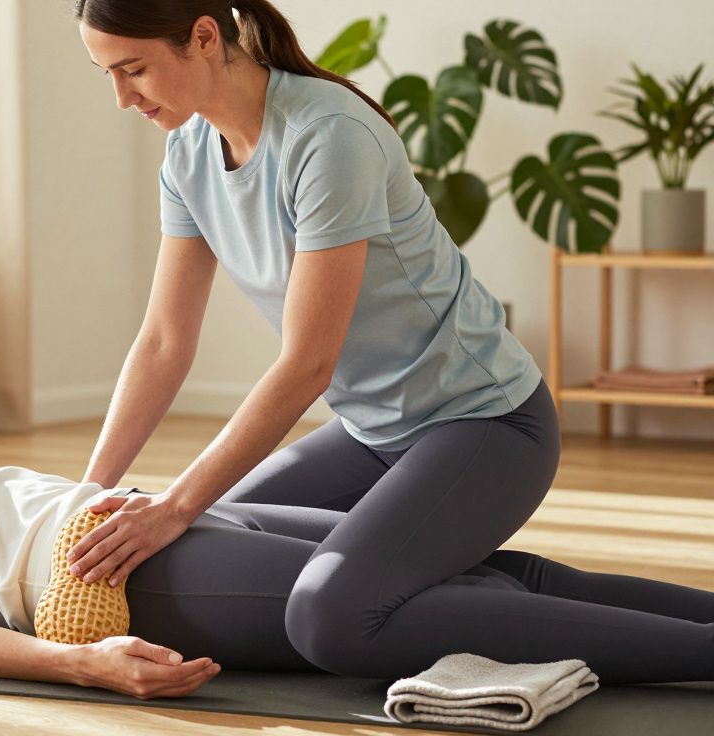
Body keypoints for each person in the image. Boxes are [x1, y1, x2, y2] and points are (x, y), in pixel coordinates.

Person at [64, 0, 583, 679]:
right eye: (107, 73)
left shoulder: (327, 133)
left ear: (201, 36)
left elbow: (308, 364)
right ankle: (449, 578)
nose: (122, 98)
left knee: (331, 614)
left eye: (134, 70)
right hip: (371, 433)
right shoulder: (188, 155)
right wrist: (84, 495)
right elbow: (164, 341)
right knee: (205, 552)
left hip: (485, 423)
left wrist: (174, 504)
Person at [0, 450, 714, 699]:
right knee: (453, 600)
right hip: (131, 575)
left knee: (487, 561)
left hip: (151, 517)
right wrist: (85, 662)